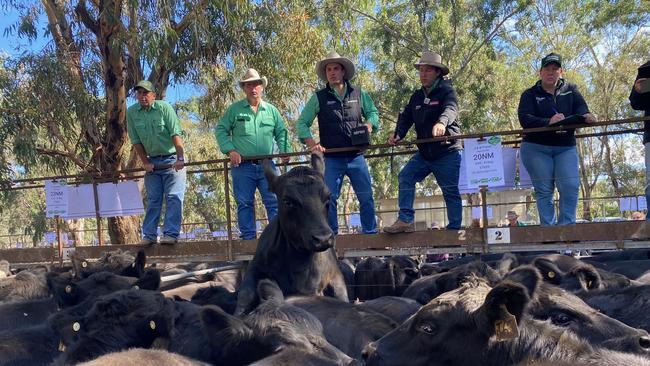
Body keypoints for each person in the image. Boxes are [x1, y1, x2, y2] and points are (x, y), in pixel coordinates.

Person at [296, 51, 379, 234]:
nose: (332, 73)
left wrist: (369, 124)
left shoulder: (358, 93)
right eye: (328, 70)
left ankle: (371, 234)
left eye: (335, 69)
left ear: (343, 72)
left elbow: (373, 113)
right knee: (329, 198)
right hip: (332, 157)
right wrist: (312, 144)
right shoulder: (319, 97)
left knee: (366, 196)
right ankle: (332, 237)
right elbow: (301, 123)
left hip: (356, 156)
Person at [385, 51, 462, 233]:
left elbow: (451, 109)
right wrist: (398, 134)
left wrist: (442, 123)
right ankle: (405, 220)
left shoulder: (447, 91)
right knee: (405, 176)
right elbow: (406, 117)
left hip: (447, 152)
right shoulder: (417, 96)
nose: (423, 74)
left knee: (450, 191)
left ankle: (454, 230)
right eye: (421, 70)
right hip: (425, 153)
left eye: (427, 70)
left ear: (437, 72)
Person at [518, 53, 596, 226]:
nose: (551, 72)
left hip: (565, 147)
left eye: (555, 69)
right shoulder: (529, 94)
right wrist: (548, 121)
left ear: (561, 72)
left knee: (570, 186)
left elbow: (582, 107)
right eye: (547, 69)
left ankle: (567, 229)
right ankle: (549, 232)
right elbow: (525, 119)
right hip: (536, 147)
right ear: (540, 72)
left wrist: (587, 115)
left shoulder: (571, 89)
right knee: (544, 190)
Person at [215, 68, 291, 240]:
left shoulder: (271, 111)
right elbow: (221, 130)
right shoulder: (234, 110)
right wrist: (230, 150)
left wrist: (285, 149)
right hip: (243, 166)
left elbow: (281, 132)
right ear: (244, 88)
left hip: (267, 165)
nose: (253, 88)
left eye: (256, 84)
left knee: (274, 202)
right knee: (244, 203)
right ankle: (248, 239)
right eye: (249, 85)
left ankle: (279, 237)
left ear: (262, 87)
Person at [126, 80, 186, 245]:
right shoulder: (131, 113)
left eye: (145, 93)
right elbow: (136, 141)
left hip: (172, 158)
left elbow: (175, 133)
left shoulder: (163, 108)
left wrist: (180, 159)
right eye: (139, 93)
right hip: (152, 161)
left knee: (174, 196)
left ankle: (171, 234)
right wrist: (145, 162)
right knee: (153, 199)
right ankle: (149, 236)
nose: (142, 96)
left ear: (153, 95)